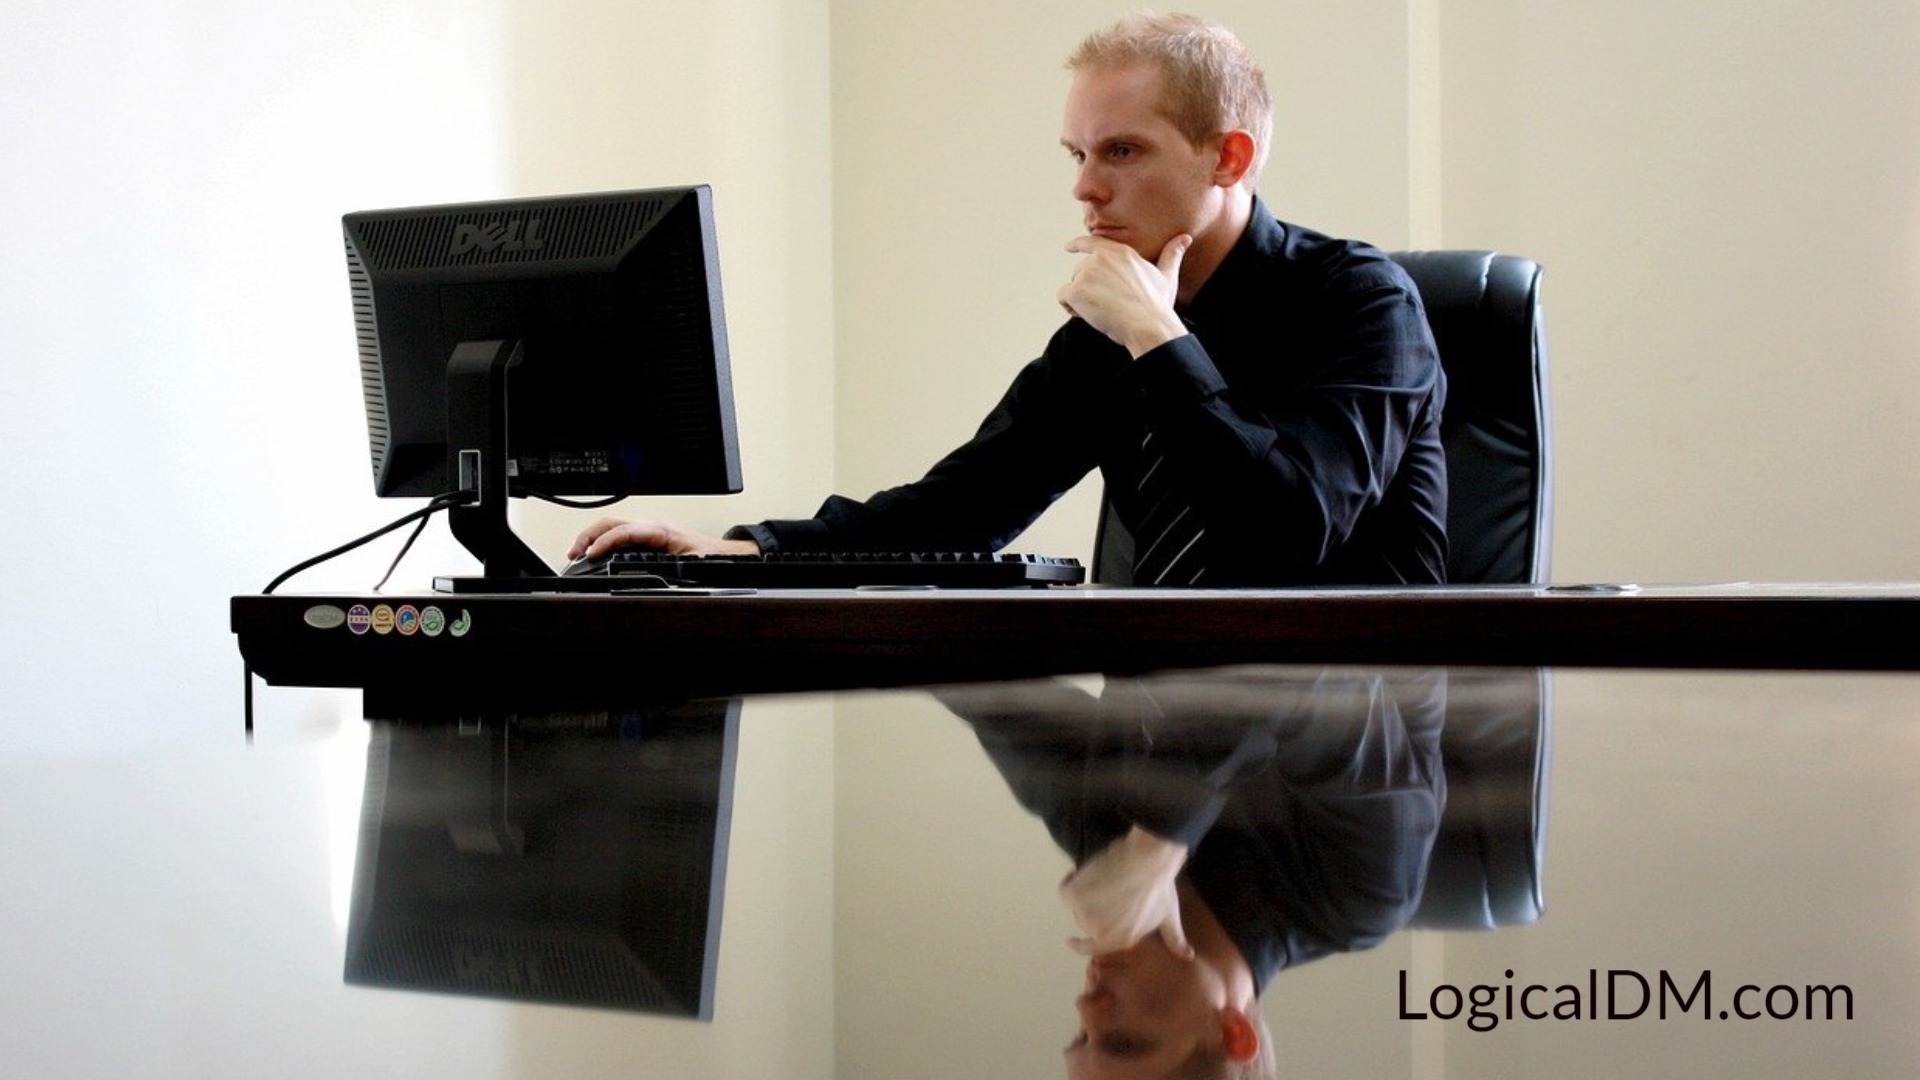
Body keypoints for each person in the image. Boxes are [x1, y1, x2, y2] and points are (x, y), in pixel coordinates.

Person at [571, 13, 1447, 586]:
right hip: (1163, 743)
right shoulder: (1110, 331)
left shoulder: (1363, 303)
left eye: (1123, 153)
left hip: (1346, 761)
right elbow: (959, 513)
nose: (1086, 190)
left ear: (1227, 158)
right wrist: (745, 550)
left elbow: (1293, 531)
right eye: (1077, 154)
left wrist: (1157, 337)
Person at [940, 665, 1447, 1079]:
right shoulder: (1360, 893)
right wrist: (1159, 842)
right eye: (1124, 1042)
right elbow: (1289, 664)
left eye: (1080, 1037)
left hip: (1168, 561)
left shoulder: (1104, 847)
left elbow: (981, 679)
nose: (1086, 1007)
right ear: (1231, 1033)